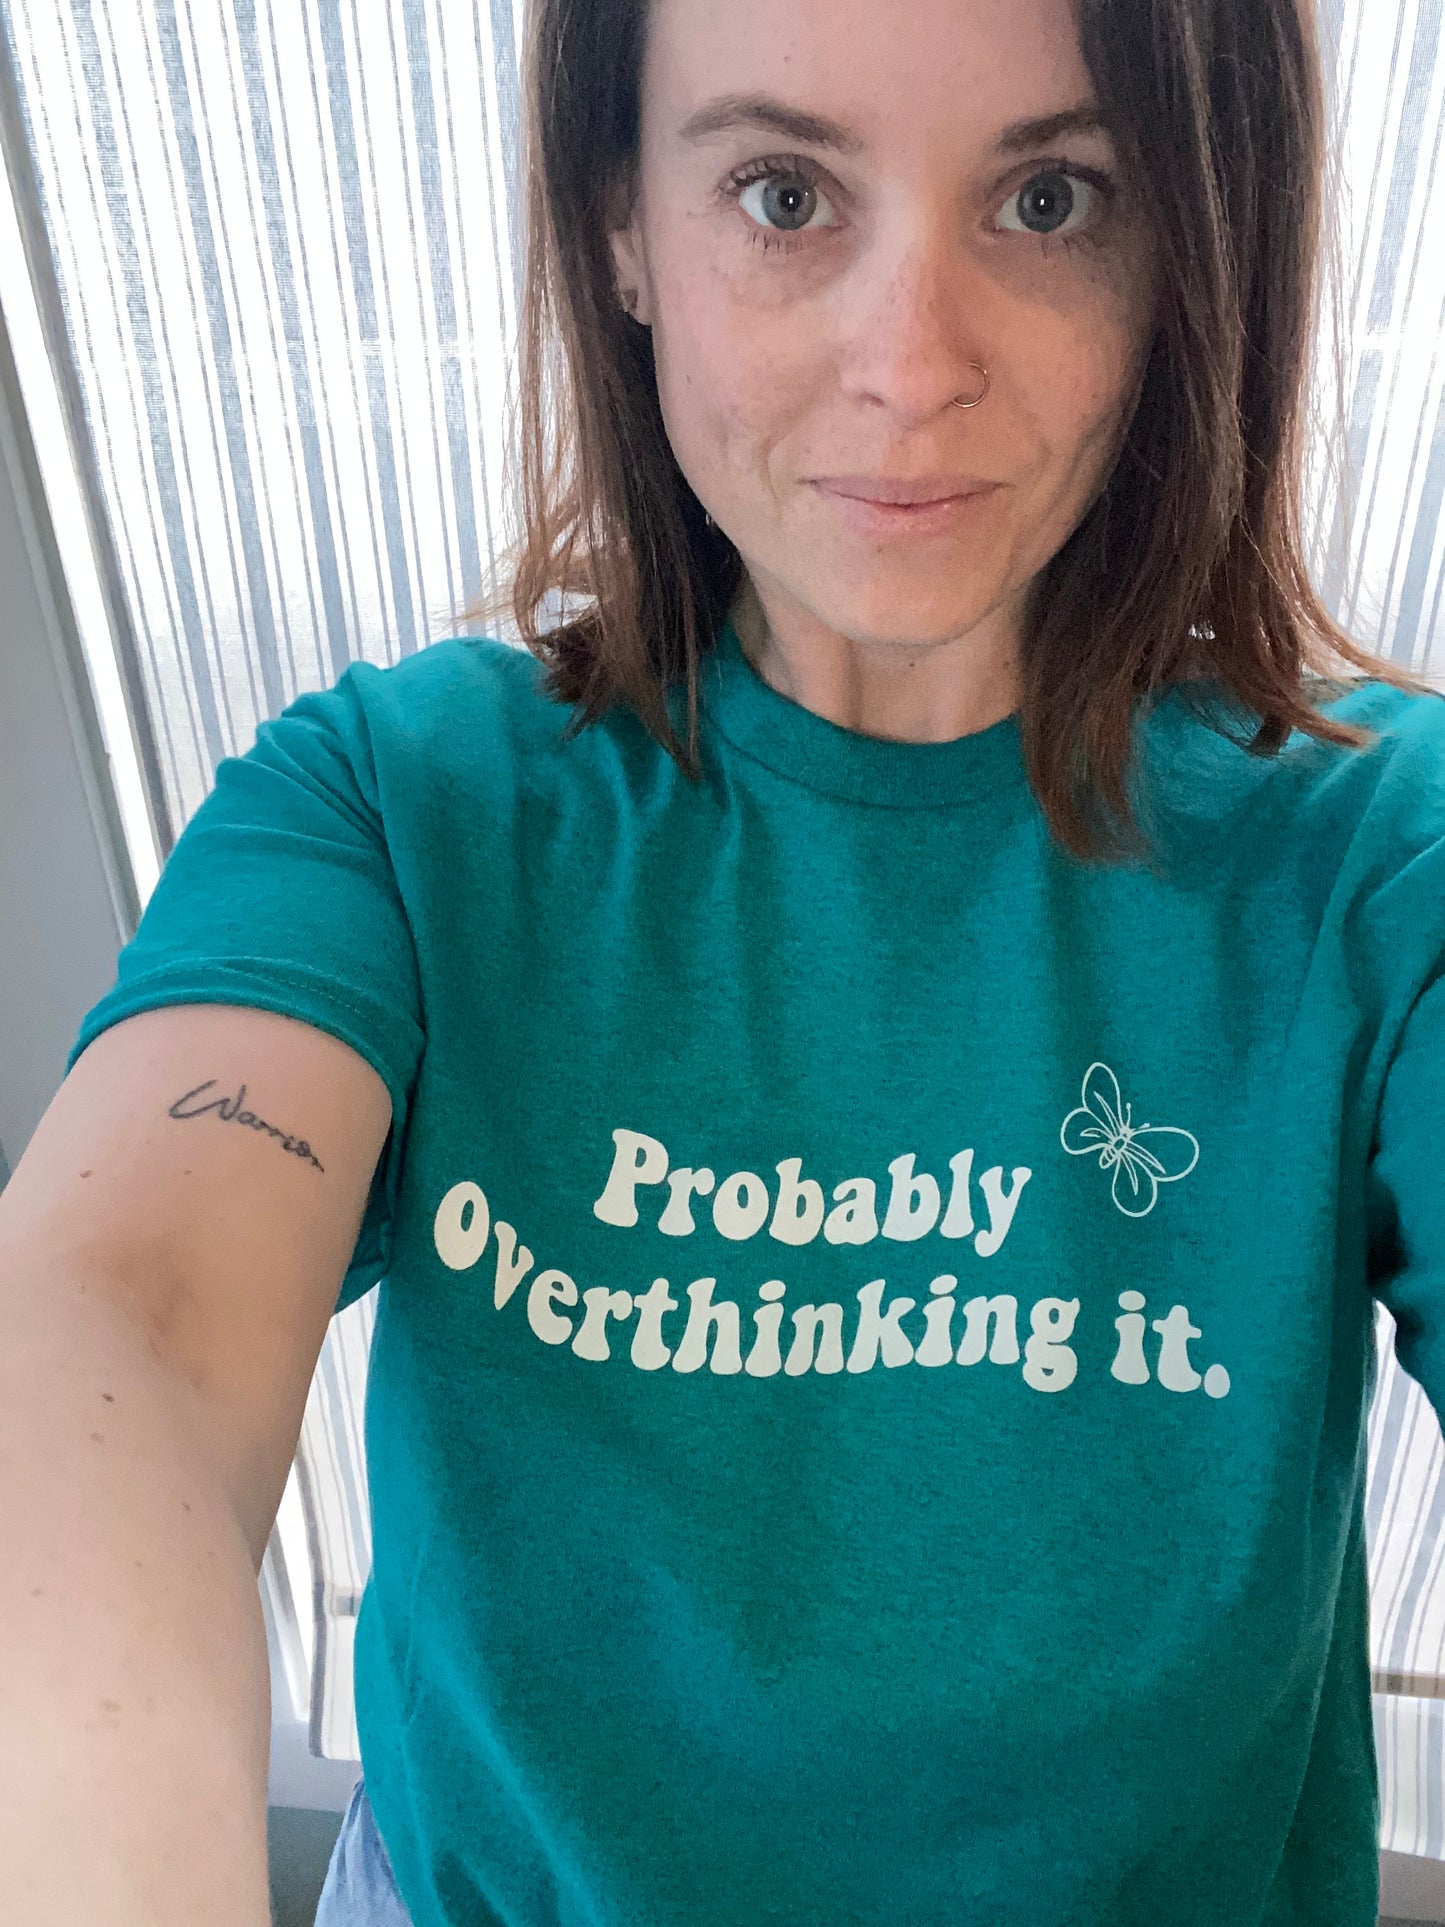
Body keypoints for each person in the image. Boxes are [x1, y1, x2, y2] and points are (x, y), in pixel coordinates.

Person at [2, 0, 1442, 1920]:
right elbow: (135, 1322)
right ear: (621, 218)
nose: (909, 368)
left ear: (1195, 235)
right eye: (783, 194)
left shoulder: (1374, 857)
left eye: (1048, 196)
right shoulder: (399, 810)